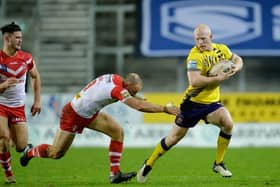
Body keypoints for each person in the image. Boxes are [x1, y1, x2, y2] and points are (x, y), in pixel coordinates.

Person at [20, 73, 179, 184]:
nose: (135, 93)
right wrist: (164, 109)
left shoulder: (118, 79)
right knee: (56, 153)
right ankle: (29, 151)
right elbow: (138, 106)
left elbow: (133, 96)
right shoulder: (118, 90)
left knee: (118, 132)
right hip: (73, 114)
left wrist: (136, 95)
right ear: (128, 85)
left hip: (89, 113)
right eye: (134, 91)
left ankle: (114, 174)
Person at [137, 24, 243, 183]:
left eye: (203, 39)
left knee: (228, 123)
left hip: (212, 103)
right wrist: (217, 79)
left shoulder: (221, 49)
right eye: (197, 39)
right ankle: (149, 163)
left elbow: (237, 59)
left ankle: (218, 163)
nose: (200, 42)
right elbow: (194, 80)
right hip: (192, 104)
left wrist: (236, 68)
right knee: (173, 138)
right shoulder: (194, 56)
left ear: (211, 38)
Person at [0, 22, 41, 184]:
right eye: (17, 38)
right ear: (7, 38)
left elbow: (36, 77)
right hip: (1, 105)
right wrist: (2, 86)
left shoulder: (27, 58)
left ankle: (17, 145)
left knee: (20, 146)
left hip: (18, 108)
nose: (20, 41)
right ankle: (9, 175)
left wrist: (37, 100)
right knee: (3, 139)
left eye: (21, 38)